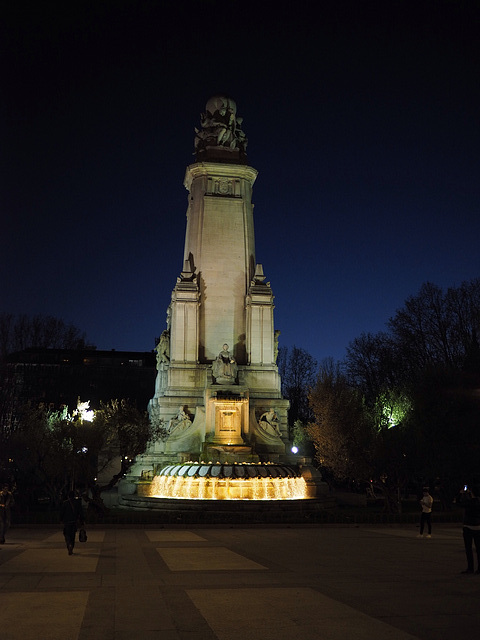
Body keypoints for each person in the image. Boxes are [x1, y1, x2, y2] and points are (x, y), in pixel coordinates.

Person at [457, 485, 480, 574]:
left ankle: (470, 568)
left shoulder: (469, 502)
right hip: (478, 526)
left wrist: (461, 494)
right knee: (478, 549)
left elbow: (458, 502)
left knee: (468, 549)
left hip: (468, 526)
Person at [60, 490, 85, 555]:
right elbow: (81, 513)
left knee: (67, 534)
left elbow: (62, 513)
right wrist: (82, 521)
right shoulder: (77, 503)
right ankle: (72, 546)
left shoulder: (65, 503)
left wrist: (61, 520)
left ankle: (69, 544)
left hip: (67, 522)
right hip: (74, 521)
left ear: (68, 496)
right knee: (73, 535)